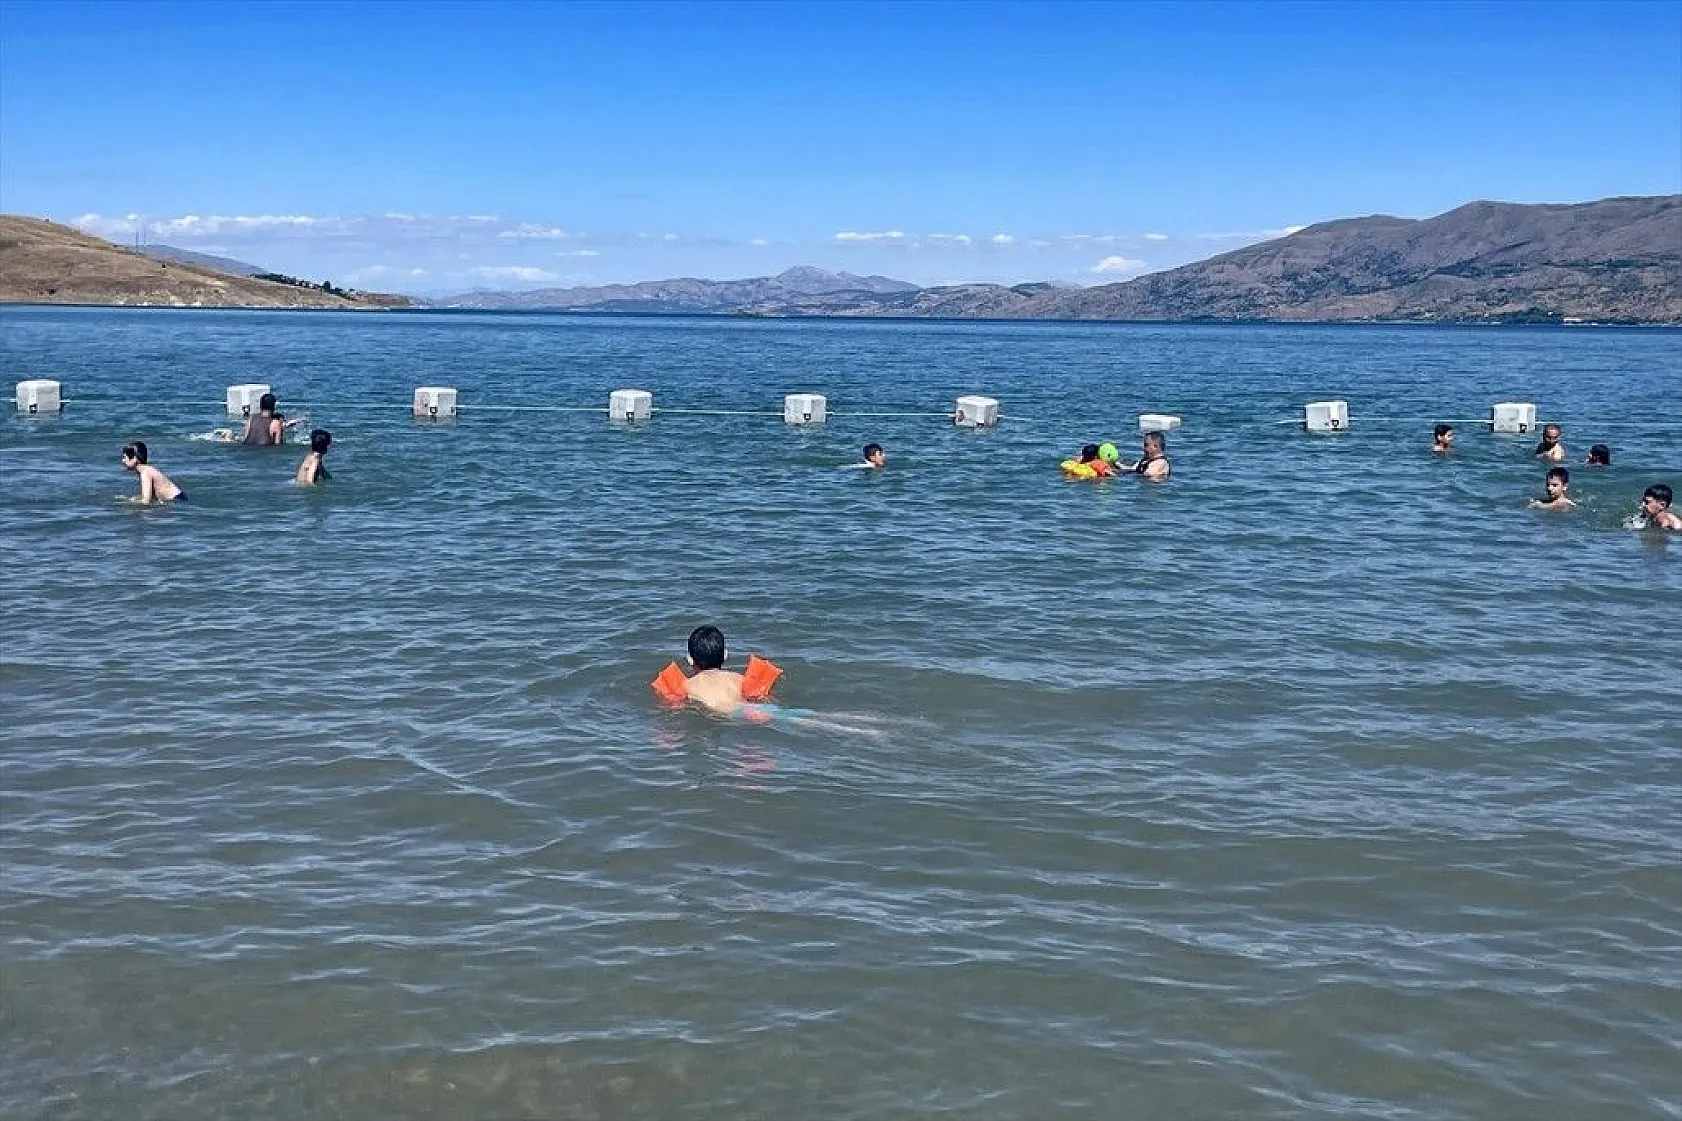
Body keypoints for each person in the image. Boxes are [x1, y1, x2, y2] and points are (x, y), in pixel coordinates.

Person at [119, 441, 186, 504]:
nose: (123, 461)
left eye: (125, 457)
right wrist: (132, 499)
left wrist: (125, 504)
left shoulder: (145, 472)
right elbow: (152, 496)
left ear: (135, 459)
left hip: (177, 501)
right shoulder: (146, 470)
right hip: (179, 499)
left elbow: (146, 501)